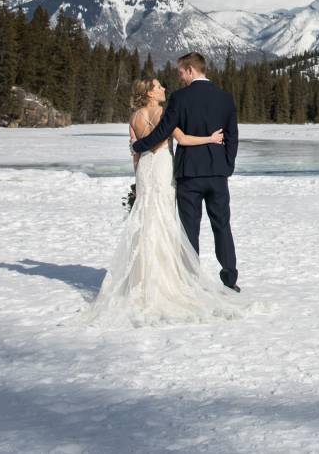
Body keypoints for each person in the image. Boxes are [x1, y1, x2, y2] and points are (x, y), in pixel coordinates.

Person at [85, 77, 242, 326]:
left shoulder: (133, 118)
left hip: (145, 171)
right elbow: (184, 139)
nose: (163, 89)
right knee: (164, 220)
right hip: (162, 169)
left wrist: (137, 181)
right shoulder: (165, 113)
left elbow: (135, 153)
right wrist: (211, 139)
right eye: (158, 87)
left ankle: (142, 278)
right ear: (148, 93)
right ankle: (168, 278)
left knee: (146, 221)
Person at [129, 52, 241, 292]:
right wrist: (227, 165)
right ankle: (230, 280)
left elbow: (163, 131)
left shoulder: (180, 98)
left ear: (191, 70)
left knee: (190, 228)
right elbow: (232, 136)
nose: (178, 78)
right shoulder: (225, 98)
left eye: (180, 72)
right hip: (217, 173)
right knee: (222, 225)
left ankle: (191, 280)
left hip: (189, 173)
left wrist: (138, 146)